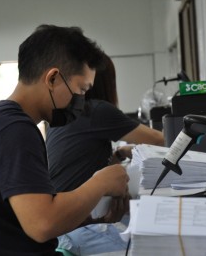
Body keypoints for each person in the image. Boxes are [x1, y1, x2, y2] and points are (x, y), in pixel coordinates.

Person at [0, 25, 130, 256]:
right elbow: (42, 225)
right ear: (53, 78)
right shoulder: (14, 130)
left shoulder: (2, 122)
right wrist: (101, 182)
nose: (82, 101)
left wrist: (94, 218)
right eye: (81, 90)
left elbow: (26, 220)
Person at [46, 54, 164, 255]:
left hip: (65, 225)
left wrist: (118, 156)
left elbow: (83, 167)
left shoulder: (64, 116)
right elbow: (161, 140)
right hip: (77, 229)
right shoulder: (95, 110)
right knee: (156, 246)